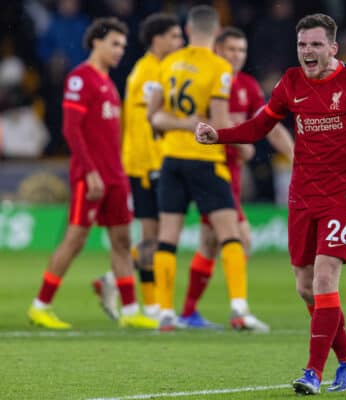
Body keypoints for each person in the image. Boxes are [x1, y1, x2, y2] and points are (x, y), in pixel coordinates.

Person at [195, 13, 346, 395]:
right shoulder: (291, 81)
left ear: (333, 48)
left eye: (315, 45)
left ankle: (312, 371)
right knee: (306, 288)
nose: (307, 52)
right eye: (302, 45)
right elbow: (261, 125)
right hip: (302, 194)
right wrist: (219, 135)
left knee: (325, 278)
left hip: (342, 194)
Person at [27, 17, 158, 330]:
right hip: (92, 176)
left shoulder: (108, 83)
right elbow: (71, 130)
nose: (120, 51)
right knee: (74, 239)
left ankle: (129, 310)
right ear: (96, 42)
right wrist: (90, 172)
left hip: (115, 175)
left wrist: (115, 172)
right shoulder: (80, 79)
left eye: (123, 46)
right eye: (114, 44)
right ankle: (40, 305)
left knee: (123, 240)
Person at [178, 26, 294, 332]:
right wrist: (239, 141)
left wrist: (296, 156)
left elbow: (270, 125)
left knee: (210, 243)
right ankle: (237, 310)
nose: (237, 57)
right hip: (209, 171)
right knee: (239, 239)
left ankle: (188, 312)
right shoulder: (208, 79)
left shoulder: (246, 86)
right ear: (217, 49)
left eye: (241, 51)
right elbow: (208, 125)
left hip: (232, 177)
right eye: (231, 50)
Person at [146, 5, 245, 331]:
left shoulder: (169, 62)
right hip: (206, 161)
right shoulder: (219, 67)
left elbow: (154, 116)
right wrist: (240, 137)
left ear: (188, 30)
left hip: (171, 158)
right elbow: (217, 123)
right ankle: (239, 308)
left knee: (167, 237)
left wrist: (182, 124)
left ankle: (164, 312)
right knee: (229, 234)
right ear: (216, 33)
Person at [92, 13, 184, 320]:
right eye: (174, 36)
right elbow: (142, 126)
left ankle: (113, 280)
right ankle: (153, 306)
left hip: (154, 161)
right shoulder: (147, 72)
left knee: (155, 236)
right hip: (147, 164)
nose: (180, 42)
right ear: (157, 40)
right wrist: (152, 166)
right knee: (152, 237)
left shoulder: (161, 69)